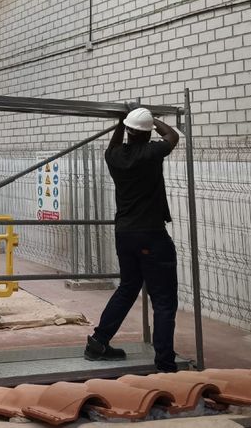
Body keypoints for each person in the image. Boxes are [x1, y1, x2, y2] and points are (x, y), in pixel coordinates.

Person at [85, 107, 180, 373]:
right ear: (147, 133)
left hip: (124, 233)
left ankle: (98, 342)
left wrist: (122, 121)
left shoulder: (114, 156)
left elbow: (114, 143)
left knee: (128, 287)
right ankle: (165, 363)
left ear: (127, 130)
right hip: (151, 234)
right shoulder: (151, 152)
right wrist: (153, 119)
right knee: (163, 300)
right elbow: (173, 137)